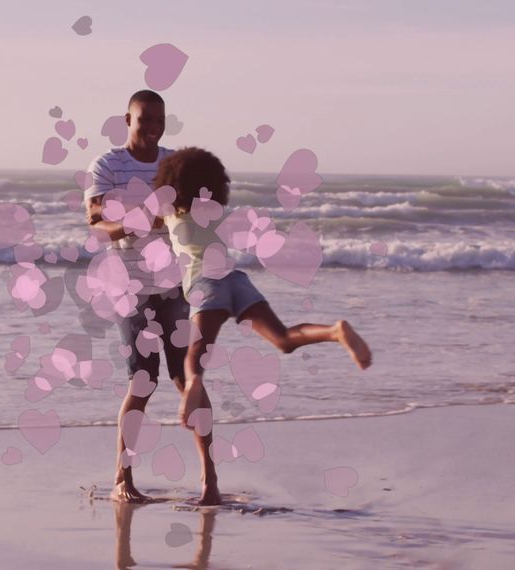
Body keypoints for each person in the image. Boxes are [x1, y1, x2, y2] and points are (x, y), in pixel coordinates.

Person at [153, 147, 373, 437]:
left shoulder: (170, 214)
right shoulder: (217, 211)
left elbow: (139, 221)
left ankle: (193, 384)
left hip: (205, 283)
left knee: (196, 352)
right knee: (283, 339)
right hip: (236, 280)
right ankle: (334, 331)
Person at [84, 91, 221, 505]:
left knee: (188, 379)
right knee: (143, 381)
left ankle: (209, 480)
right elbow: (96, 225)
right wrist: (139, 221)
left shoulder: (175, 163)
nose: (153, 127)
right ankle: (122, 476)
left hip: (177, 285)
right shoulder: (107, 165)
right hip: (131, 287)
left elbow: (203, 210)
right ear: (127, 119)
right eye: (145, 119)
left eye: (160, 119)